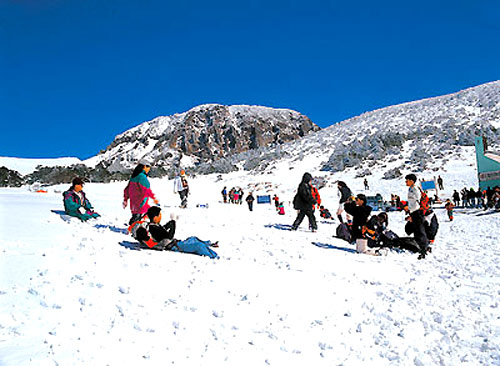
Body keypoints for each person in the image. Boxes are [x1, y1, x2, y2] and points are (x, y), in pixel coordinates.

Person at [130, 206, 218, 258]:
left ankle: (209, 244)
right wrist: (173, 222)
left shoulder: (154, 226)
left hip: (175, 243)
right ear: (155, 217)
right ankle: (213, 256)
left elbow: (164, 229)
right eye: (159, 215)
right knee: (198, 246)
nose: (161, 216)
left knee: (193, 238)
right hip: (173, 246)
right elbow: (169, 236)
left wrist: (171, 222)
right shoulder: (153, 228)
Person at [403, 174, 429, 260]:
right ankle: (419, 246)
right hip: (413, 212)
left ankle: (423, 249)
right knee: (416, 231)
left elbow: (417, 202)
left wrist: (411, 210)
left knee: (420, 230)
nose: (406, 182)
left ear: (412, 181)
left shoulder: (415, 189)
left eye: (407, 180)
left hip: (417, 213)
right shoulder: (410, 189)